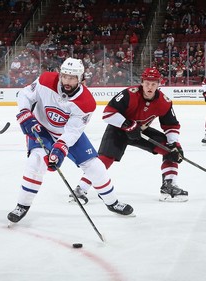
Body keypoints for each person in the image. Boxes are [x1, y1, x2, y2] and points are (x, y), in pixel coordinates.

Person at [7, 57, 134, 224]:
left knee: (95, 166)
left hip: (66, 133)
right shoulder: (45, 80)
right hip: (41, 129)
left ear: (81, 79)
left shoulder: (86, 102)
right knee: (35, 162)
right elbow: (25, 94)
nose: (67, 81)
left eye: (72, 78)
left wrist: (60, 148)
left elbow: (73, 131)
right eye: (65, 76)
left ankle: (112, 202)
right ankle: (22, 205)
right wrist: (25, 113)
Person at [70, 68, 187, 205]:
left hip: (140, 132)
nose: (150, 87)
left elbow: (171, 125)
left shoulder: (164, 102)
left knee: (170, 150)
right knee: (105, 159)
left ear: (158, 84)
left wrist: (174, 144)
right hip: (118, 129)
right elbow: (108, 113)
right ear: (142, 82)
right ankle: (80, 189)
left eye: (153, 84)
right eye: (147, 83)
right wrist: (127, 125)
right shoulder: (128, 94)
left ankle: (169, 186)